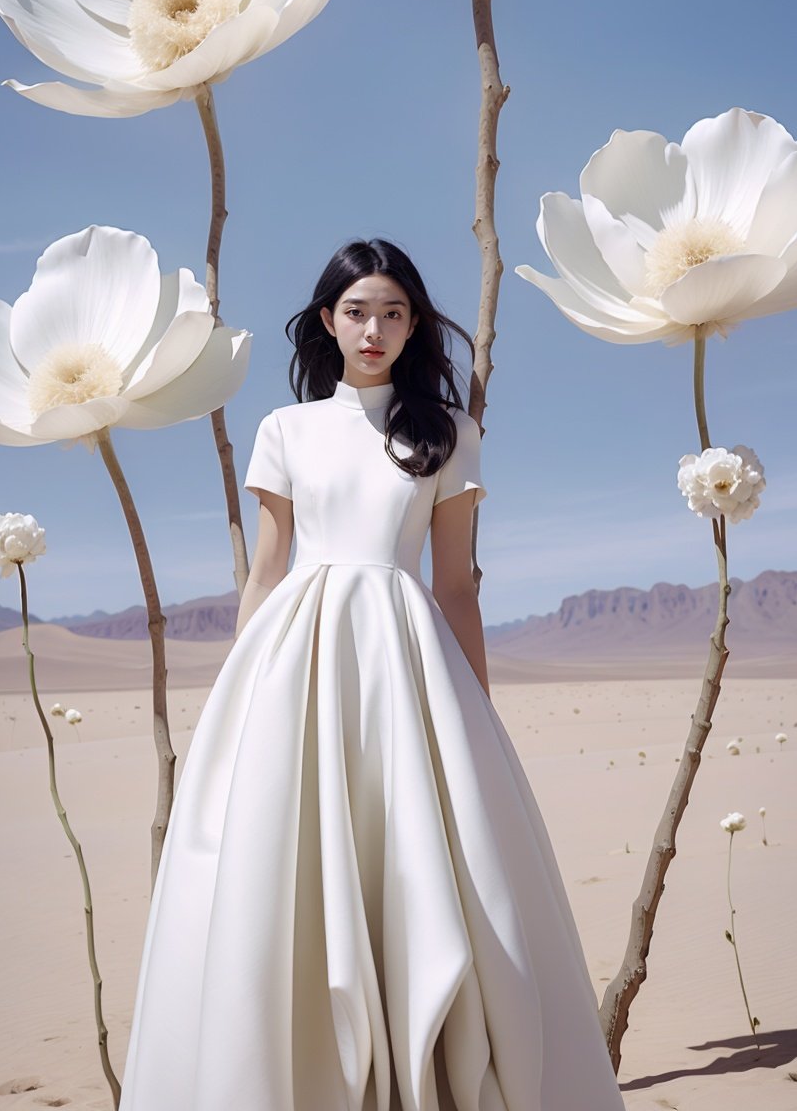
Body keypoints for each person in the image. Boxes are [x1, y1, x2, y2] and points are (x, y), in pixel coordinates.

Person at [117, 238, 626, 1111]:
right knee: (283, 867)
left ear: (413, 325)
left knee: (422, 868)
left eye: (393, 312)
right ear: (327, 321)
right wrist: (237, 696)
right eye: (357, 311)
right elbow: (268, 571)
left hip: (408, 664)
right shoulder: (284, 430)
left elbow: (457, 584)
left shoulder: (449, 434)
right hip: (295, 664)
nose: (374, 329)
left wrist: (478, 713)